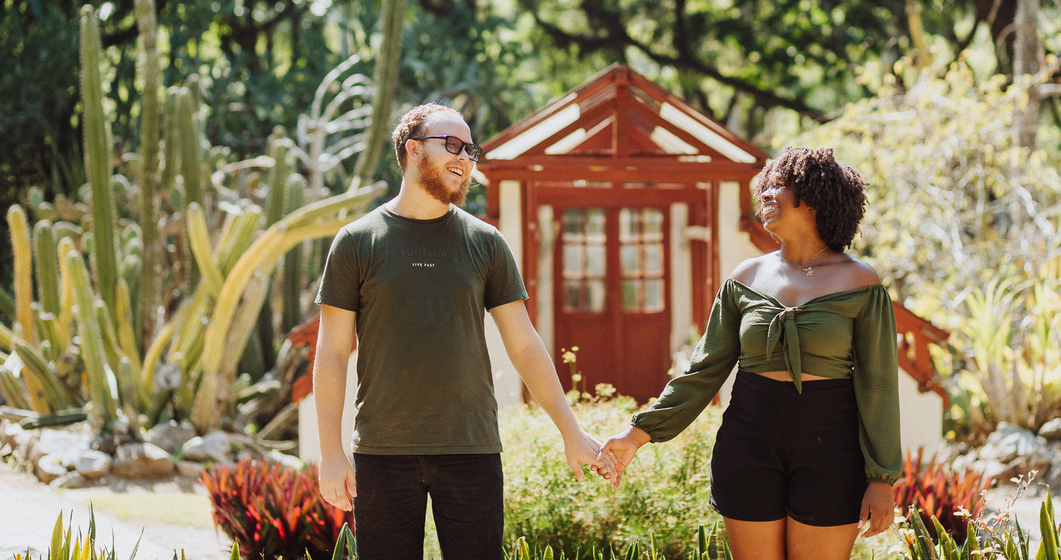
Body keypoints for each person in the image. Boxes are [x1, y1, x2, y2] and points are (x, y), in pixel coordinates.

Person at [314, 103, 607, 560]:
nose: (465, 158)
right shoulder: (357, 242)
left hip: (472, 450)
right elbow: (332, 352)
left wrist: (571, 431)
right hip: (382, 451)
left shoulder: (486, 242)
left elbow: (524, 344)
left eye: (471, 149)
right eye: (452, 145)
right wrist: (330, 452)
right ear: (413, 150)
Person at [598, 146, 901, 560]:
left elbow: (878, 384)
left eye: (781, 185)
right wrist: (636, 435)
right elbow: (703, 370)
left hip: (832, 449)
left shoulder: (860, 282)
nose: (766, 192)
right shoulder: (746, 277)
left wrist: (882, 477)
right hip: (748, 444)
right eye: (766, 185)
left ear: (815, 196)